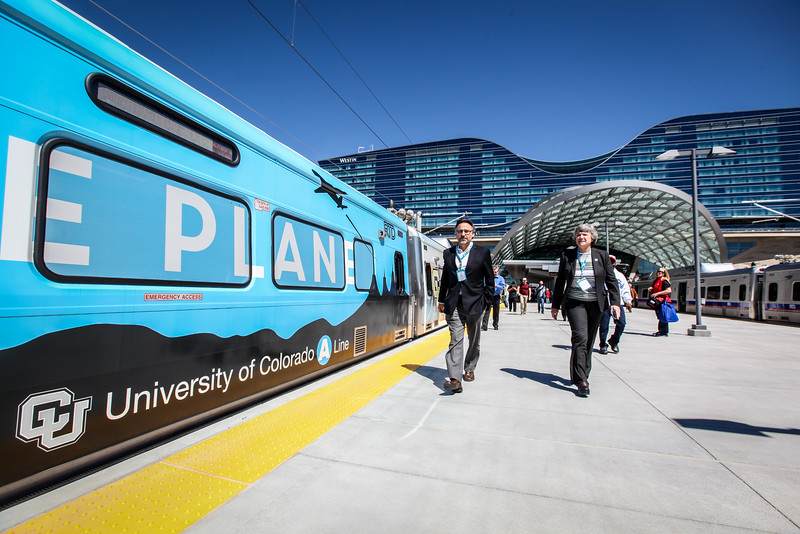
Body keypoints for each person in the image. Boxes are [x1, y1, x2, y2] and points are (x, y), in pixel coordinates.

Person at [551, 224, 620, 398]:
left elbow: (611, 281)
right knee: (580, 337)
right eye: (579, 234)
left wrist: (616, 303)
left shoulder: (601, 256)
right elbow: (560, 282)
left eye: (585, 234)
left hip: (596, 303)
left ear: (592, 238)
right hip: (575, 303)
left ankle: (581, 374)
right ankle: (582, 380)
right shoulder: (567, 255)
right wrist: (555, 305)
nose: (581, 237)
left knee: (589, 340)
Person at [438, 218, 494, 393]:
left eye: (466, 231)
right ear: (455, 234)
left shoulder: (483, 253)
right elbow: (445, 279)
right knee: (456, 339)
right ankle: (455, 379)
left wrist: (486, 301)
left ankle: (469, 368)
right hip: (454, 302)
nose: (463, 234)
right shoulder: (448, 253)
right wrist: (441, 300)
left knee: (474, 340)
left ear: (473, 234)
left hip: (475, 302)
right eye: (459, 231)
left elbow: (490, 281)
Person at [598, 255, 633, 354]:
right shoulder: (600, 274)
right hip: (605, 302)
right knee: (604, 325)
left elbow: (625, 289)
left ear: (614, 264)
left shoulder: (620, 276)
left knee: (621, 323)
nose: (609, 263)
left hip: (617, 303)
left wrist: (628, 301)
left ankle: (614, 341)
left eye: (611, 262)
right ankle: (603, 345)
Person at [649, 267, 672, 337]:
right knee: (659, 316)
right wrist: (652, 289)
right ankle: (661, 330)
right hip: (657, 301)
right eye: (658, 271)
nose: (659, 273)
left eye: (661, 272)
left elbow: (669, 290)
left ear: (664, 274)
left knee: (662, 316)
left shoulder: (664, 281)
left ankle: (664, 331)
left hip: (662, 301)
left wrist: (657, 293)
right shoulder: (656, 281)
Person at [482, 266, 506, 330]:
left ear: (498, 271)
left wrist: (496, 286)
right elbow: (483, 284)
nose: (495, 273)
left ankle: (495, 324)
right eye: (493, 272)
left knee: (496, 311)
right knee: (487, 310)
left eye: (496, 272)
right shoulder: (488, 278)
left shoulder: (501, 279)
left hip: (496, 296)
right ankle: (484, 325)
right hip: (489, 295)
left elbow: (502, 287)